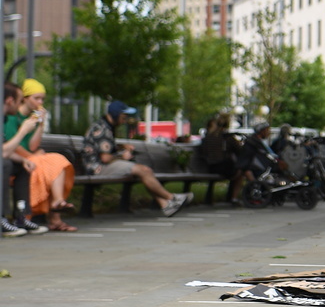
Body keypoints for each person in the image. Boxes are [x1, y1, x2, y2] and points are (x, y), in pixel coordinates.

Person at [81, 101, 193, 217]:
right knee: (143, 170)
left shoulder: (106, 126)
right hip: (97, 169)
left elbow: (105, 147)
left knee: (144, 172)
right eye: (123, 117)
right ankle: (172, 198)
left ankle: (165, 204)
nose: (125, 120)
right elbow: (105, 158)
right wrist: (121, 156)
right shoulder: (102, 129)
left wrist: (122, 146)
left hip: (100, 166)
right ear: (115, 114)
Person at [4, 79, 77, 232]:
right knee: (46, 165)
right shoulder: (10, 117)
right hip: (19, 157)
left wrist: (41, 124)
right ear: (24, 98)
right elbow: (10, 147)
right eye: (36, 98)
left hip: (26, 157)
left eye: (42, 99)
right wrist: (31, 154)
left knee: (53, 161)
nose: (40, 102)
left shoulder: (31, 118)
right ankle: (53, 213)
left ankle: (53, 206)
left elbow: (32, 146)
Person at [2, 82, 43, 237]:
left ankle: (21, 216)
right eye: (20, 101)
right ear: (10, 101)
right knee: (4, 165)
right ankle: (2, 217)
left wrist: (22, 160)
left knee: (22, 166)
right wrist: (23, 131)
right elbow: (3, 153)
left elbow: (4, 149)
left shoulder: (4, 119)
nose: (20, 106)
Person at [199, 113, 243, 204]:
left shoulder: (207, 138)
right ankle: (232, 197)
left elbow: (203, 152)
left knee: (234, 168)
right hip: (221, 167)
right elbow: (239, 151)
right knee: (240, 171)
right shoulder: (227, 138)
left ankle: (227, 197)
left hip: (210, 166)